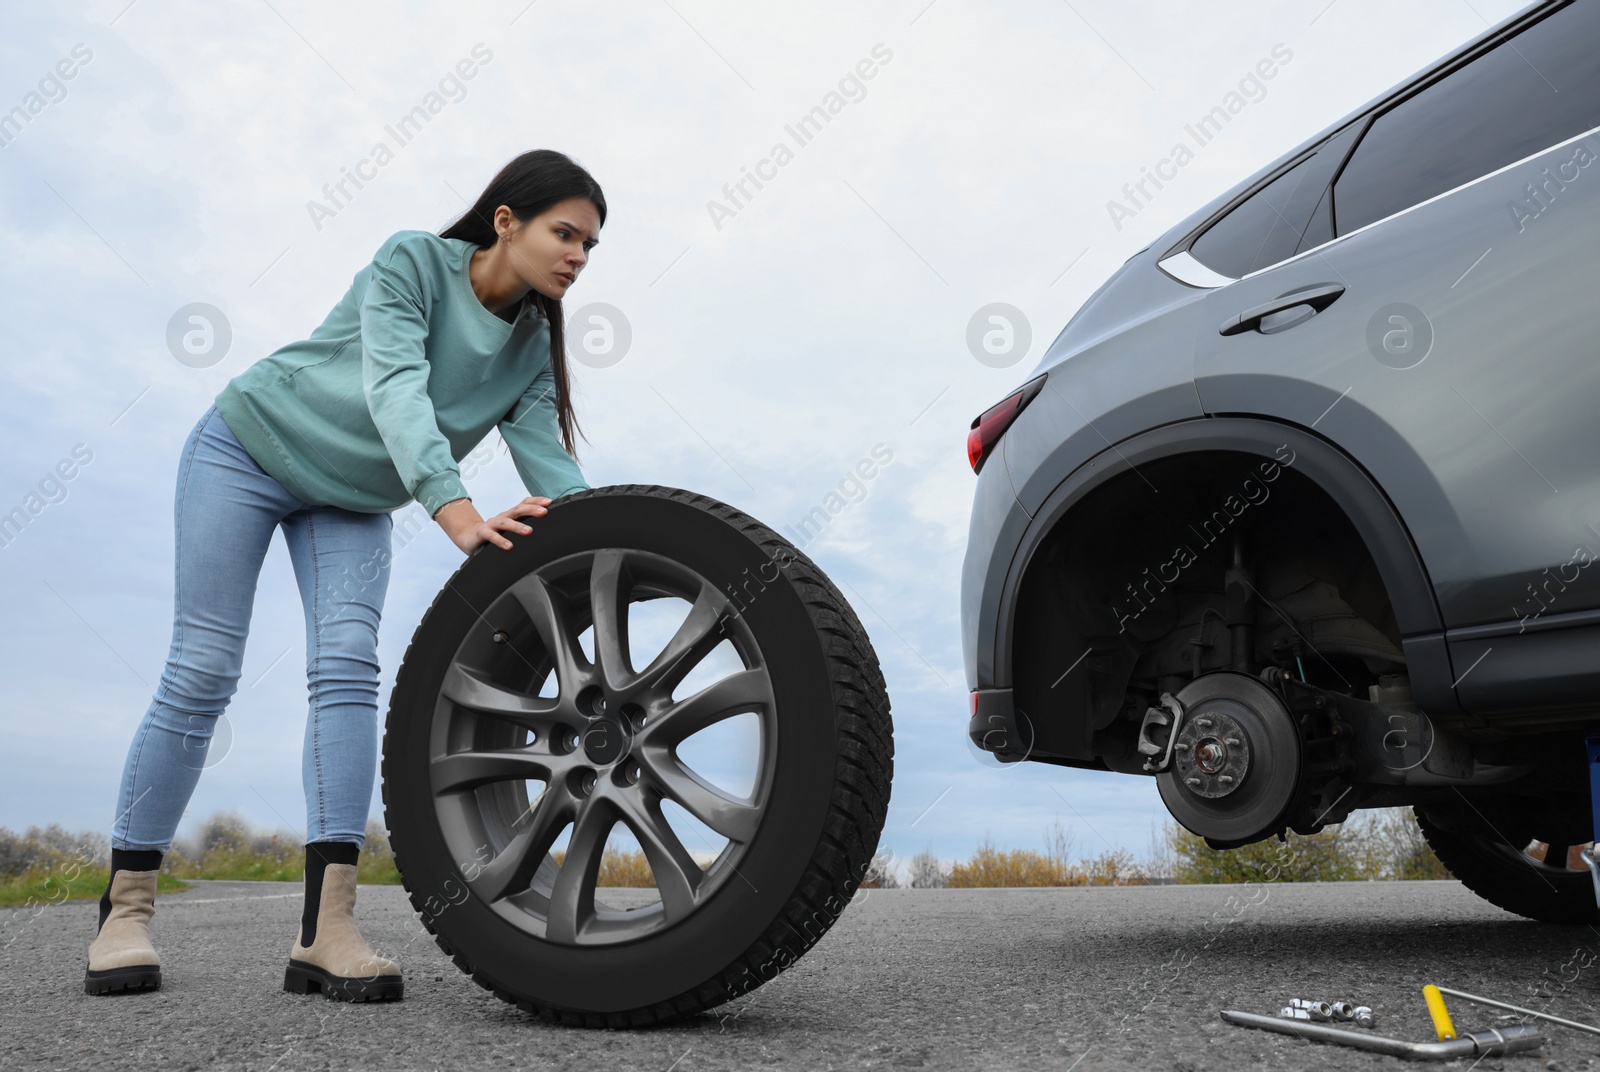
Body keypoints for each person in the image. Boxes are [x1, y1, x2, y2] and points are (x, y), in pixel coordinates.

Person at [83, 149, 606, 1003]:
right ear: (506, 220)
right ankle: (126, 910)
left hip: (352, 500)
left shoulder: (528, 351)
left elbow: (553, 465)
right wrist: (457, 510)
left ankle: (326, 930)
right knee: (205, 667)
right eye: (565, 233)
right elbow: (396, 386)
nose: (578, 257)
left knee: (347, 674)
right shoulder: (413, 262)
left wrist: (620, 549)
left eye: (590, 246)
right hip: (248, 447)